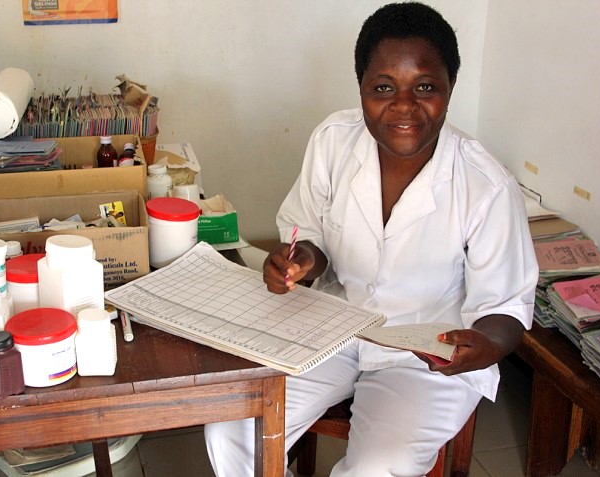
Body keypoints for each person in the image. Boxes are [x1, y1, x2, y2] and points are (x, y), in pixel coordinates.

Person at [204, 2, 538, 476]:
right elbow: (309, 236)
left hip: (427, 356)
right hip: (332, 328)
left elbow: (507, 304)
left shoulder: (486, 184)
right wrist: (298, 263)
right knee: (231, 426)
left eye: (425, 87)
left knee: (378, 467)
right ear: (360, 87)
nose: (403, 106)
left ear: (450, 87)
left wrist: (485, 344)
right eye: (383, 88)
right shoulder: (333, 141)